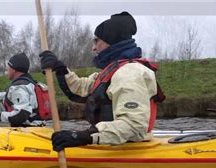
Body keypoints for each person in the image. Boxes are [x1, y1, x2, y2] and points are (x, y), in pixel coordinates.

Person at [39, 11, 165, 151]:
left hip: (128, 147)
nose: (93, 48)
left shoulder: (130, 73)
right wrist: (60, 68)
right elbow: (81, 88)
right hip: (110, 142)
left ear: (111, 42)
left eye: (96, 41)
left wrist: (83, 137)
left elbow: (132, 127)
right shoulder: (113, 70)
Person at [0, 52, 47, 127]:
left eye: (8, 66)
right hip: (39, 126)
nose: (7, 69)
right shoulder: (29, 84)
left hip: (27, 130)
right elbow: (9, 96)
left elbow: (21, 115)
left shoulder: (19, 87)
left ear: (14, 69)